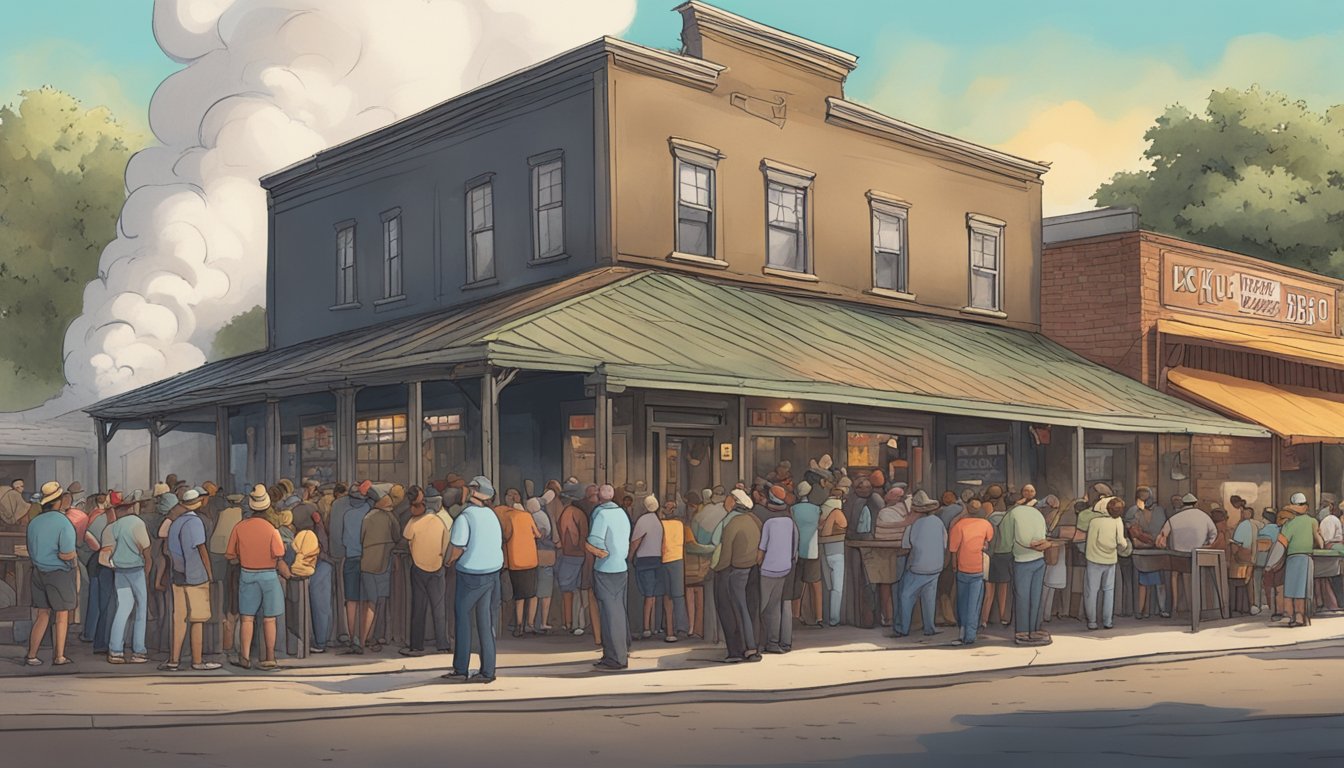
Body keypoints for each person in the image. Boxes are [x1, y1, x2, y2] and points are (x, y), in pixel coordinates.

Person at [446, 476, 505, 683]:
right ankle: (488, 671)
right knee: (486, 622)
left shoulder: (465, 517)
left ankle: (461, 668)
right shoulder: (492, 515)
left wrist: (448, 562)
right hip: (492, 573)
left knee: (462, 619)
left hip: (470, 574)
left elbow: (457, 548)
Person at [225, 486, 290, 670]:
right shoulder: (272, 529)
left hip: (247, 574)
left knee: (247, 618)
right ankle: (269, 657)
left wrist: (243, 556)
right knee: (269, 619)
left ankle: (244, 657)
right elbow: (279, 552)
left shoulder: (240, 527)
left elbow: (229, 555)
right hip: (269, 575)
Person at [163, 489, 220, 671]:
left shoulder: (175, 523)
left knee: (179, 619)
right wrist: (209, 573)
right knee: (197, 619)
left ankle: (174, 659)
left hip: (177, 575)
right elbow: (201, 549)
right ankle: (197, 660)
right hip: (195, 575)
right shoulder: (195, 522)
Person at [23, 482, 78, 667]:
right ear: (58, 501)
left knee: (42, 614)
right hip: (59, 573)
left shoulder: (34, 523)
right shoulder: (63, 522)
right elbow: (67, 553)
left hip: (38, 573)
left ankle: (31, 655)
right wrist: (73, 556)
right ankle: (59, 656)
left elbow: (31, 550)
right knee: (61, 615)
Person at [587, 484, 632, 671]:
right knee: (619, 610)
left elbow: (595, 539)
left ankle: (615, 657)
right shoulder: (622, 513)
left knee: (608, 613)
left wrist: (592, 548)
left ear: (599, 497)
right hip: (621, 566)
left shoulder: (601, 514)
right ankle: (621, 650)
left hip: (605, 568)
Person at [401, 486, 450, 656]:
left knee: (418, 608)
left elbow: (406, 537)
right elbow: (446, 544)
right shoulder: (441, 522)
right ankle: (442, 644)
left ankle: (416, 645)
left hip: (418, 568)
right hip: (437, 567)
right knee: (439, 608)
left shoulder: (414, 522)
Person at [713, 489, 761, 662]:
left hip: (735, 571)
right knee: (749, 609)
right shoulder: (754, 520)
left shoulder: (732, 524)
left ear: (734, 502)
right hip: (753, 569)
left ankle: (740, 650)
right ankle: (752, 646)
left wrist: (717, 568)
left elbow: (725, 554)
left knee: (734, 610)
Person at [106, 487, 152, 665]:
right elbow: (146, 549)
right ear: (131, 507)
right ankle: (138, 651)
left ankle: (115, 650)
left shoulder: (115, 526)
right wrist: (148, 570)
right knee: (140, 610)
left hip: (119, 570)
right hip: (136, 569)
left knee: (123, 608)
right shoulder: (137, 523)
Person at [893, 493, 946, 638]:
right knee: (929, 597)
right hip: (936, 566)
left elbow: (906, 545)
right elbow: (944, 543)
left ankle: (903, 628)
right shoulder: (938, 521)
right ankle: (929, 627)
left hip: (918, 567)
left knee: (905, 595)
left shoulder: (913, 525)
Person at [1156, 493, 1217, 615]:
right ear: (1196, 503)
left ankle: (1174, 607)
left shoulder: (1174, 518)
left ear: (1183, 504)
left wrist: (1171, 545)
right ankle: (1196, 608)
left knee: (1174, 575)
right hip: (1197, 555)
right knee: (1197, 578)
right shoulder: (1204, 517)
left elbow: (1161, 538)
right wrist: (1206, 544)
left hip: (1177, 556)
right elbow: (1213, 534)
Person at [355, 488, 400, 652]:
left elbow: (362, 537)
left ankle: (363, 638)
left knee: (369, 602)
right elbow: (397, 536)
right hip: (384, 561)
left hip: (367, 562)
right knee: (379, 601)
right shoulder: (390, 518)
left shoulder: (367, 517)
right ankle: (371, 637)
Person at [1003, 501, 1051, 645]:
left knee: (1022, 597)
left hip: (1021, 560)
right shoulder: (1038, 514)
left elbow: (1006, 541)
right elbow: (1043, 535)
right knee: (1036, 596)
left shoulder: (1012, 514)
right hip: (1039, 559)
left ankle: (1022, 632)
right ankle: (1035, 629)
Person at [757, 486, 798, 654]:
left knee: (760, 606)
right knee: (775, 607)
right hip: (784, 568)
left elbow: (761, 550)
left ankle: (756, 643)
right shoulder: (790, 522)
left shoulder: (768, 523)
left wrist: (756, 564)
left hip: (768, 570)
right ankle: (773, 643)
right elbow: (795, 548)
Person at [948, 498, 993, 646]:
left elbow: (953, 549)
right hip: (978, 569)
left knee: (962, 602)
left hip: (962, 568)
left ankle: (962, 631)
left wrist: (954, 566)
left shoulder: (958, 525)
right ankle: (970, 635)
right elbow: (989, 540)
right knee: (974, 604)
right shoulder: (986, 524)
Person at [1082, 497, 1133, 631]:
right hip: (1111, 559)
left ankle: (1092, 622)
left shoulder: (1094, 522)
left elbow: (1090, 541)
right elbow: (1121, 541)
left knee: (1091, 592)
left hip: (1094, 559)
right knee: (1109, 591)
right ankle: (1108, 621)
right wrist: (1126, 547)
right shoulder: (1117, 521)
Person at [334, 482, 374, 652]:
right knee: (368, 600)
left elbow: (342, 540)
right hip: (369, 559)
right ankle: (364, 640)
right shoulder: (371, 512)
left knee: (351, 601)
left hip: (351, 558)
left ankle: (353, 638)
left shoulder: (347, 515)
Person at [555, 482, 596, 640]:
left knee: (569, 591)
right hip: (578, 555)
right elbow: (581, 538)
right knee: (579, 591)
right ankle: (576, 623)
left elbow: (568, 537)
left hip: (570, 556)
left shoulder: (567, 513)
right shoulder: (578, 514)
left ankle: (570, 623)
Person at [1277, 492, 1323, 627]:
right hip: (1307, 558)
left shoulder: (1289, 523)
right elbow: (1319, 542)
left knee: (1291, 588)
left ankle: (1289, 615)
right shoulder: (1312, 521)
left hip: (1292, 558)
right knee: (1303, 589)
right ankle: (1301, 617)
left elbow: (1282, 543)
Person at [500, 493, 542, 638]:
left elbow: (505, 536)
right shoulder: (527, 516)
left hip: (515, 560)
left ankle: (519, 626)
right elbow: (538, 534)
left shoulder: (508, 517)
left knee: (519, 596)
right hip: (530, 559)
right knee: (532, 594)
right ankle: (530, 623)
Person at [629, 495, 665, 640]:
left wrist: (630, 557)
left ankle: (646, 627)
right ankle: (654, 626)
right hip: (658, 559)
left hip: (644, 561)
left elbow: (635, 542)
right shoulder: (658, 521)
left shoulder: (643, 520)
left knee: (647, 595)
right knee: (654, 595)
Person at [789, 481, 824, 628]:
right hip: (812, 549)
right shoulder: (817, 509)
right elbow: (821, 526)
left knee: (797, 583)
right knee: (816, 584)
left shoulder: (793, 509)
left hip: (796, 550)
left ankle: (795, 615)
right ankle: (819, 617)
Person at [658, 497, 689, 642]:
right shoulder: (680, 524)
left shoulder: (661, 525)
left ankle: (668, 628)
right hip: (678, 559)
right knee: (678, 596)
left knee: (666, 595)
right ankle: (682, 627)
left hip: (664, 559)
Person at [529, 492, 558, 634]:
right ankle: (543, 622)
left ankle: (530, 621)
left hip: (532, 558)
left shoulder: (529, 517)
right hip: (545, 557)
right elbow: (544, 534)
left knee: (534, 593)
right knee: (546, 594)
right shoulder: (544, 517)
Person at [818, 496, 847, 627]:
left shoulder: (822, 519)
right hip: (838, 552)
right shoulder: (837, 514)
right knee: (837, 588)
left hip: (825, 552)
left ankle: (828, 616)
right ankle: (834, 618)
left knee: (828, 586)